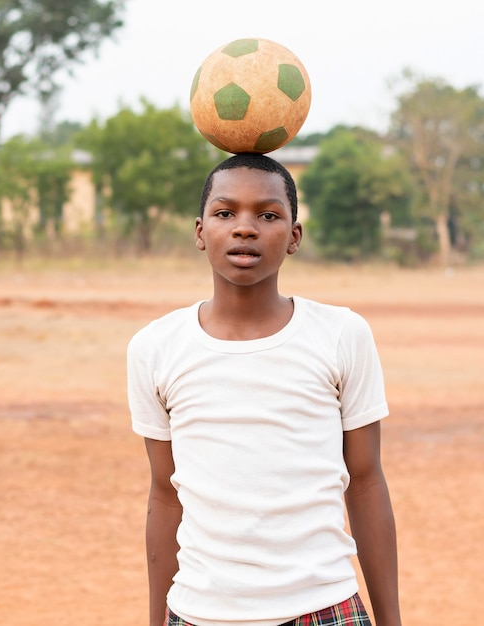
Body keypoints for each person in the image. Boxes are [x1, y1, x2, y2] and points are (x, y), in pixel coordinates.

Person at [127, 152, 402, 626]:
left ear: (294, 236)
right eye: (225, 212)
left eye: (268, 215)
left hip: (325, 608)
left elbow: (366, 481)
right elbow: (164, 495)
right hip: (200, 613)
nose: (245, 228)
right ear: (200, 232)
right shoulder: (155, 347)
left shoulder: (340, 334)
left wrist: (391, 622)